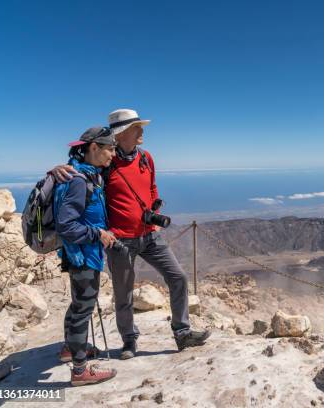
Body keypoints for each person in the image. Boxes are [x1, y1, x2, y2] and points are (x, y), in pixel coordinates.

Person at [52, 109, 210, 359]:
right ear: (122, 133)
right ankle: (129, 341)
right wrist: (57, 169)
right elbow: (80, 171)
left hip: (150, 236)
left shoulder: (146, 158)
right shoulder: (106, 161)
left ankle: (182, 332)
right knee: (123, 294)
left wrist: (154, 207)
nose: (142, 132)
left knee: (178, 277)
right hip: (120, 240)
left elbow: (152, 186)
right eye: (137, 127)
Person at [54, 126, 118, 386]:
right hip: (83, 254)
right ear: (94, 148)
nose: (113, 154)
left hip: (78, 253)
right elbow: (67, 225)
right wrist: (98, 235)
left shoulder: (81, 172)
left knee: (78, 304)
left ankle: (71, 349)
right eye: (110, 148)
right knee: (83, 309)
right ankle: (80, 371)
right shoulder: (79, 180)